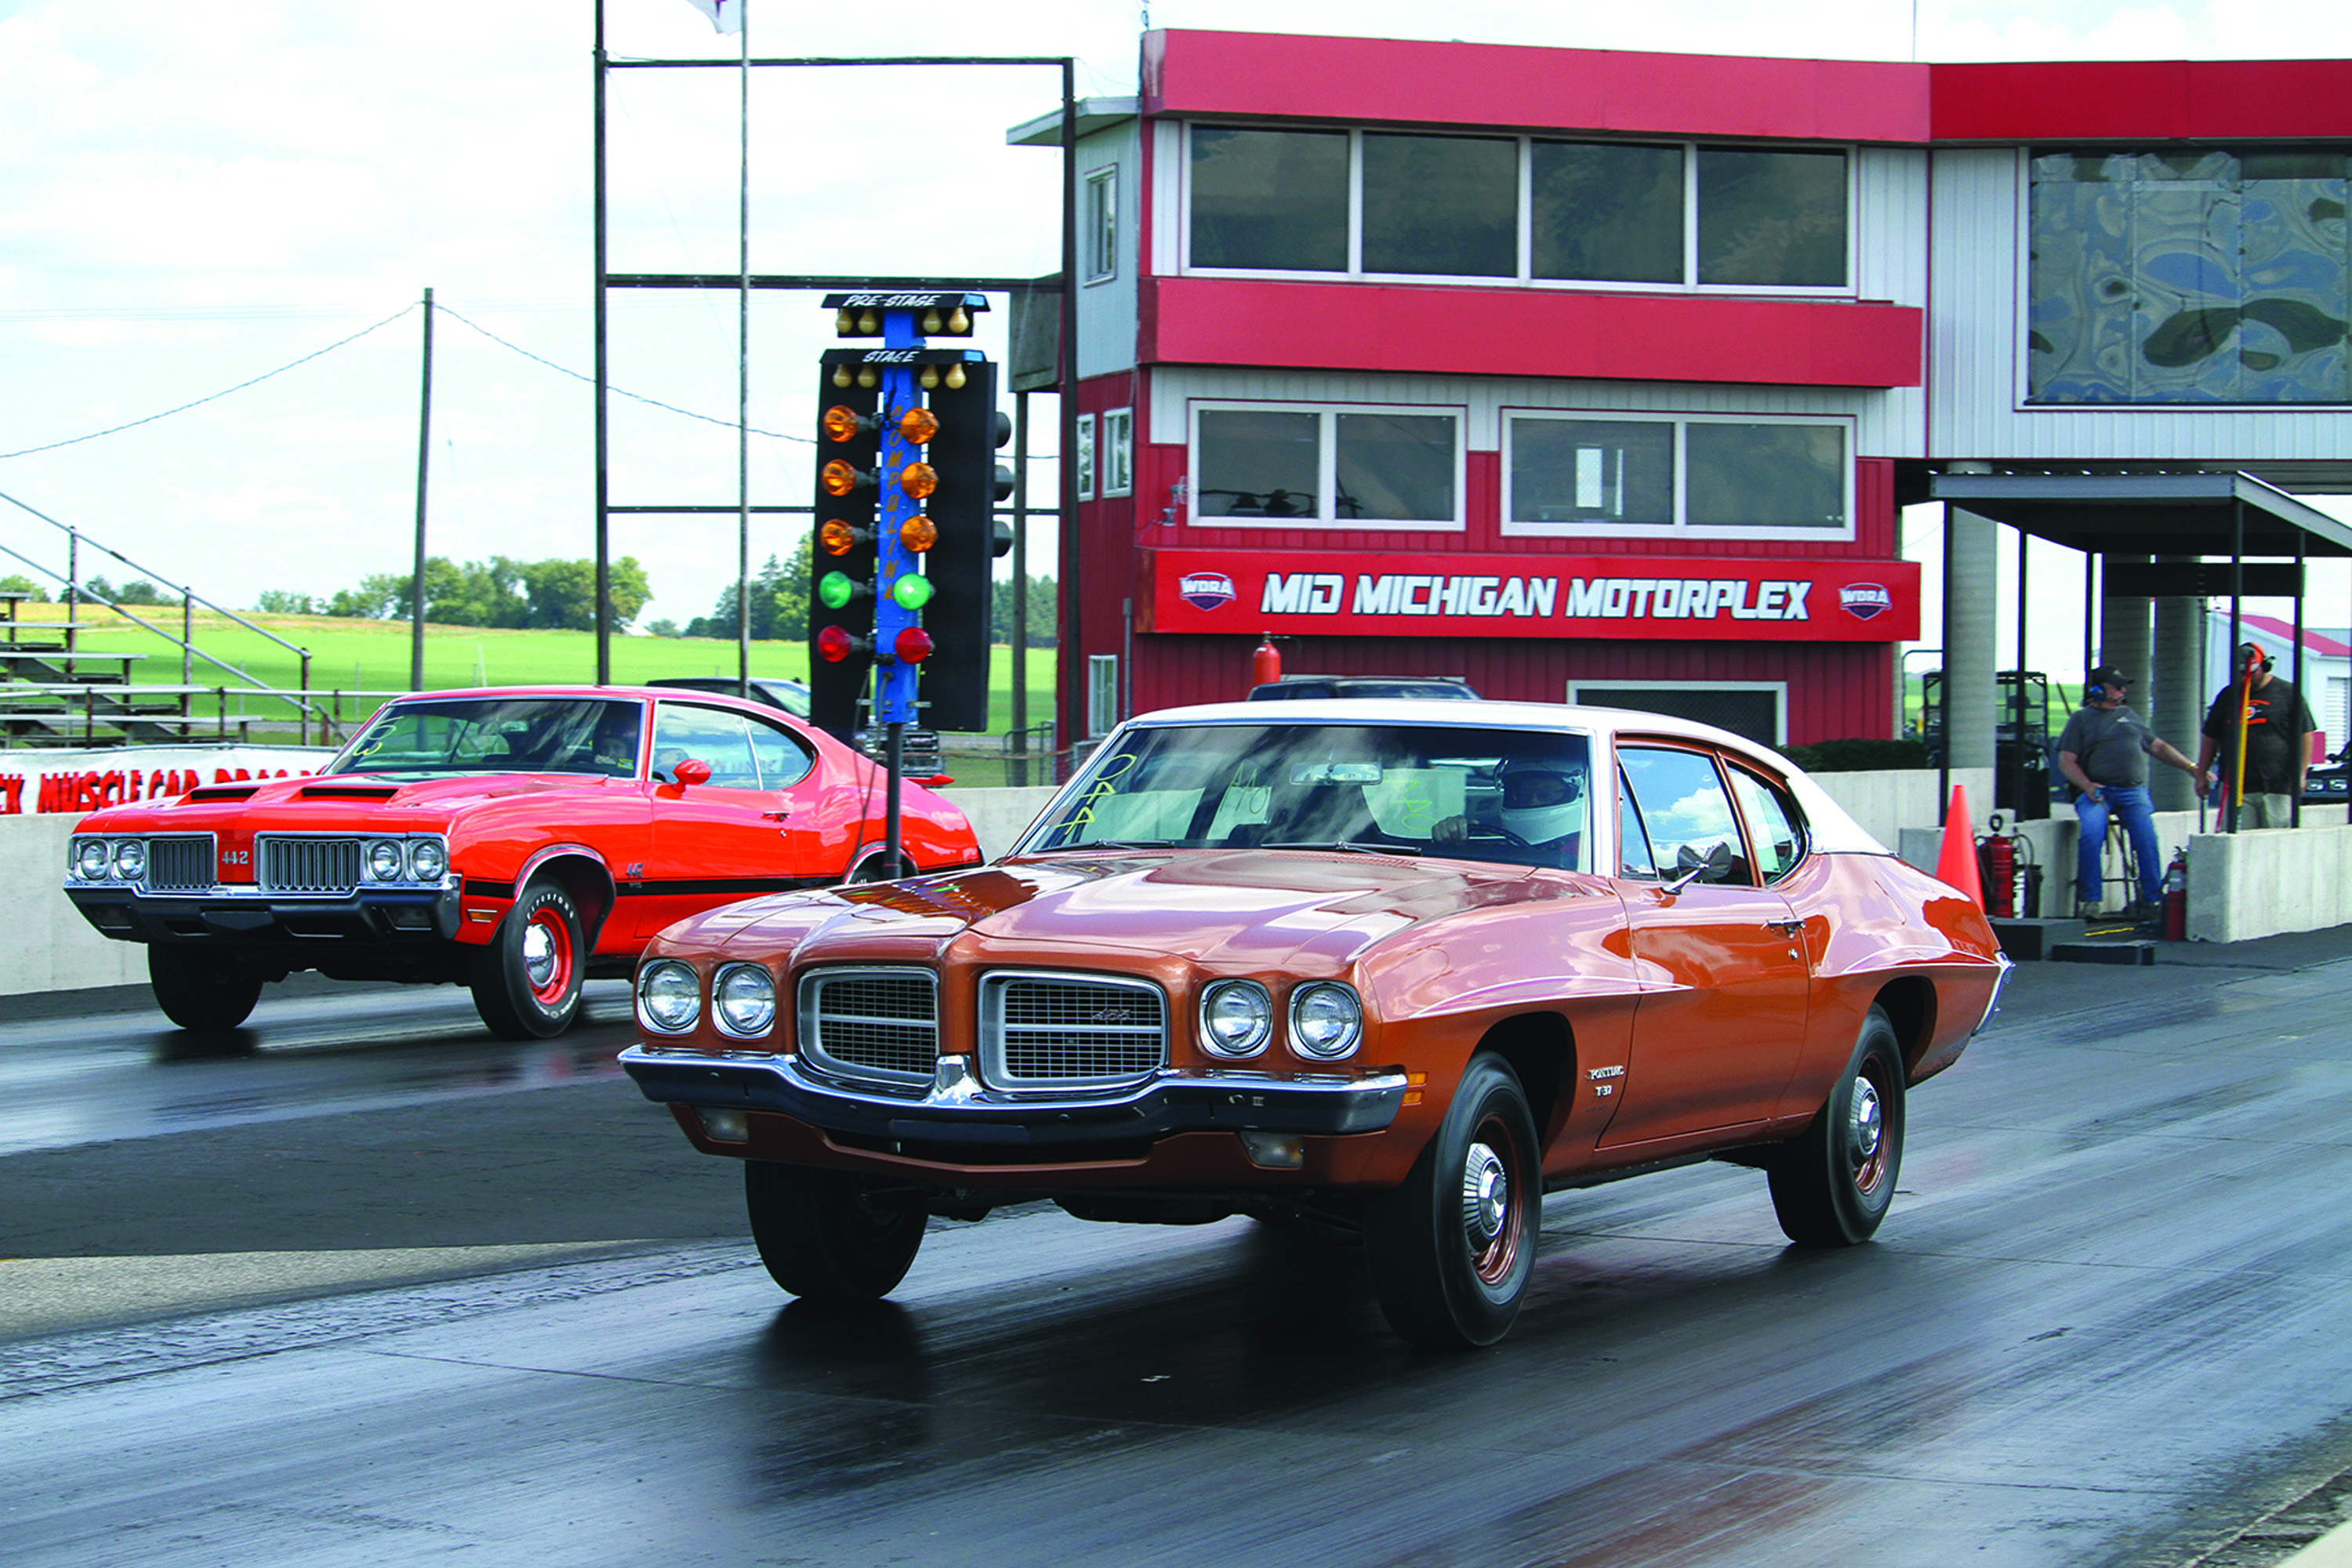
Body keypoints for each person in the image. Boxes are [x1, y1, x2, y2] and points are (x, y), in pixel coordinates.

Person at [2054, 666, 2209, 919]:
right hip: (2098, 793)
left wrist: (2191, 768)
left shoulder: (2129, 715)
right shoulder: (2081, 720)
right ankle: (2090, 900)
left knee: (2147, 839)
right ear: (2098, 690)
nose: (2123, 690)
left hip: (2133, 793)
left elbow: (2158, 747)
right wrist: (2088, 786)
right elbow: (2066, 761)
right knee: (2091, 836)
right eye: (2117, 686)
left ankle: (2152, 900)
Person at [2197, 643, 2321, 829]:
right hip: (2237, 787)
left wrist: (2301, 773)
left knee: (2277, 842)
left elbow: (2306, 735)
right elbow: (2211, 738)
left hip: (2278, 785)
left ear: (2264, 666)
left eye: (2252, 672)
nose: (2246, 678)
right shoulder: (2228, 696)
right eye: (2241, 673)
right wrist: (2201, 775)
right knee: (2237, 840)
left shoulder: (2288, 693)